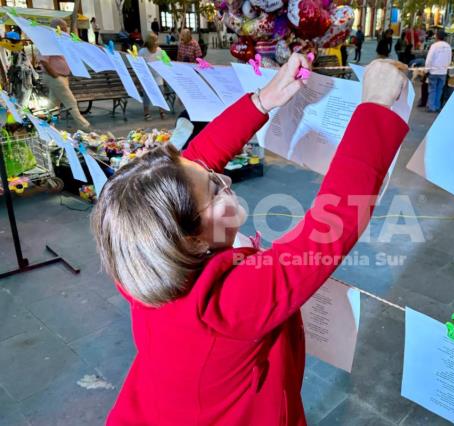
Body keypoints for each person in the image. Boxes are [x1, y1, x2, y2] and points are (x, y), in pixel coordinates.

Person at [92, 55, 409, 425]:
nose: (224, 180)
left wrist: (265, 100)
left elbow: (190, 168)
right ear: (192, 239)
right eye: (214, 191)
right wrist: (373, 107)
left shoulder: (142, 256)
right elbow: (332, 225)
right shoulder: (229, 302)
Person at [38, 19, 91, 131]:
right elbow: (43, 61)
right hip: (54, 76)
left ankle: (47, 126)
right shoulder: (48, 41)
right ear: (56, 28)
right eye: (63, 28)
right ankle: (85, 126)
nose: (66, 30)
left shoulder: (59, 41)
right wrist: (56, 76)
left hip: (61, 76)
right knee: (70, 101)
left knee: (53, 104)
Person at [139, 33, 166, 121]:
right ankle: (146, 112)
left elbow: (165, 62)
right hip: (147, 77)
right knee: (147, 95)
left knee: (160, 92)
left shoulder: (160, 50)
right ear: (151, 42)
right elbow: (139, 64)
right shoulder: (142, 51)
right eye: (155, 40)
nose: (157, 42)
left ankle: (161, 110)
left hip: (157, 76)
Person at [425, 30, 451, 112]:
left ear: (437, 36)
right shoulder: (448, 46)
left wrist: (426, 69)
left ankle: (431, 106)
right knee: (439, 90)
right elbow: (449, 59)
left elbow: (429, 59)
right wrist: (446, 68)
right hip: (443, 72)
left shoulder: (434, 46)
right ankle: (437, 106)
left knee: (432, 89)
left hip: (434, 71)